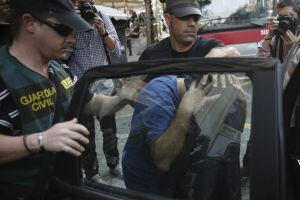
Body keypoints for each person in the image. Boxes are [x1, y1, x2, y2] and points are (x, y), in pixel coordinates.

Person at [0, 0, 141, 199]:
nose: (72, 39)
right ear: (29, 23)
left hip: (66, 186)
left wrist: (123, 96)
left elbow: (94, 105)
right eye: (64, 29)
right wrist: (40, 140)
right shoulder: (5, 77)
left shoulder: (59, 70)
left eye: (74, 31)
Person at [122, 0, 244, 199]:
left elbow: (231, 53)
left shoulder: (209, 47)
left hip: (208, 154)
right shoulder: (152, 55)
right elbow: (137, 96)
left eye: (195, 17)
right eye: (185, 17)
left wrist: (218, 55)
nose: (192, 23)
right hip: (166, 155)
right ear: (168, 19)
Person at [68, 0, 122, 183]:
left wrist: (103, 31)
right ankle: (91, 173)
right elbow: (63, 53)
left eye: (88, 2)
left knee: (110, 130)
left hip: (104, 85)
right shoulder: (68, 20)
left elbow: (117, 51)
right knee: (85, 133)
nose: (85, 5)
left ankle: (114, 164)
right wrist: (70, 23)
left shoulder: (103, 17)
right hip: (80, 86)